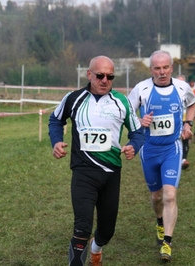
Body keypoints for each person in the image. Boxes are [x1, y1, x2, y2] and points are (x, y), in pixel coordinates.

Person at [48, 55, 144, 266]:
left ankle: (97, 247)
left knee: (107, 231)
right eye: (100, 75)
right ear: (89, 74)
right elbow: (55, 119)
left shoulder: (122, 102)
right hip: (83, 172)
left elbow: (138, 132)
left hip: (111, 174)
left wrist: (133, 146)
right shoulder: (74, 99)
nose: (104, 81)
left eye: (110, 77)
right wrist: (56, 141)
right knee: (82, 226)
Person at [128, 50, 195, 262]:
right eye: (157, 68)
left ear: (171, 68)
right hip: (149, 149)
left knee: (169, 196)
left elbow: (192, 104)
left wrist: (187, 123)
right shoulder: (142, 89)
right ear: (151, 70)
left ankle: (167, 243)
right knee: (156, 197)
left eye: (165, 67)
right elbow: (127, 113)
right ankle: (159, 221)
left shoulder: (181, 87)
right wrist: (139, 122)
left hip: (172, 149)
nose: (162, 72)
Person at [176, 75, 191, 170]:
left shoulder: (188, 92)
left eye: (182, 82)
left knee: (185, 138)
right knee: (176, 140)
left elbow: (192, 104)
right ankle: (175, 159)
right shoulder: (171, 92)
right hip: (175, 120)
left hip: (185, 119)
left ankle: (184, 159)